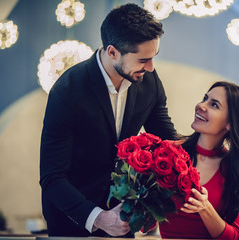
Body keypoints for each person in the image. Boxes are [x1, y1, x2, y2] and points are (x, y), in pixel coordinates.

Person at [39, 3, 177, 237]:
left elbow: (168, 142)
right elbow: (52, 177)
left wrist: (222, 153)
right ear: (112, 52)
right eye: (143, 59)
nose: (151, 68)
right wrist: (100, 218)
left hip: (124, 218)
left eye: (154, 57)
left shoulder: (149, 82)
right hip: (72, 223)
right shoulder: (67, 91)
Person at [159, 81, 239, 239]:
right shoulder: (168, 152)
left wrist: (205, 208)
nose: (201, 106)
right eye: (205, 99)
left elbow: (235, 237)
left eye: (214, 105)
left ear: (230, 123)